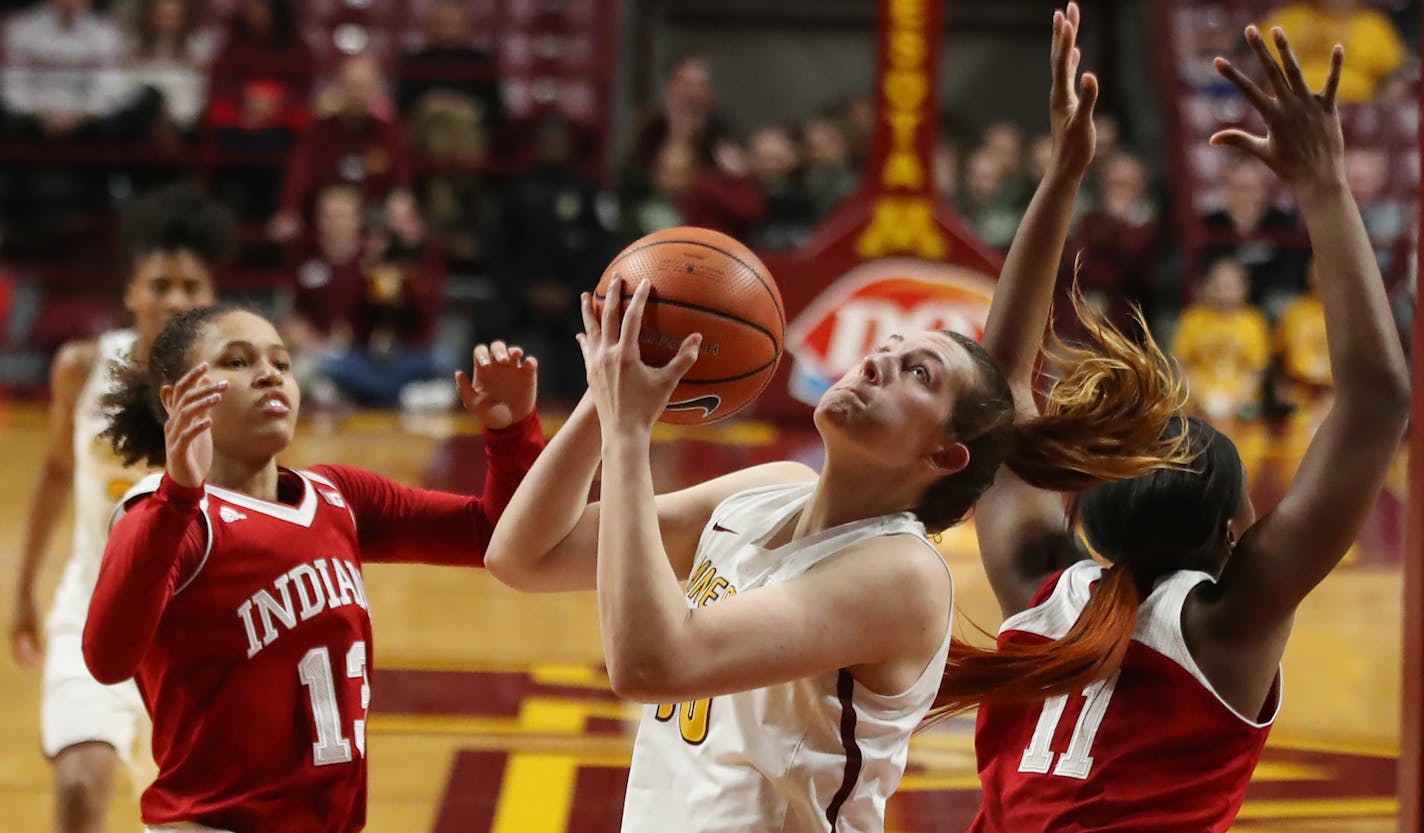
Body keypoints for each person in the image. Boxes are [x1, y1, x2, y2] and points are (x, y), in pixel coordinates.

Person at [483, 9, 1191, 830]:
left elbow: (650, 660)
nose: (880, 357)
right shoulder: (765, 492)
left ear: (944, 454)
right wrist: (606, 406)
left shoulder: (901, 574)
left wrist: (635, 432)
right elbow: (522, 555)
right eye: (888, 345)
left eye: (916, 370)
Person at [961, 23, 1408, 832]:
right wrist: (1328, 187)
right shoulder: (1222, 629)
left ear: (1089, 513)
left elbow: (998, 385)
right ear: (1234, 533)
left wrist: (1062, 176)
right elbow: (1378, 399)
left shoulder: (1039, 589)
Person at [82, 305, 545, 832]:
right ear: (175, 400)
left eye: (281, 363)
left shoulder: (337, 494)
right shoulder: (164, 513)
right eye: (236, 361)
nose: (268, 374)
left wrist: (510, 434)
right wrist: (178, 497)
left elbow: (496, 536)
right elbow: (107, 658)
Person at [10, 184, 231, 833]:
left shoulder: (238, 386)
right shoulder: (81, 367)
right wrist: (24, 592)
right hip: (91, 605)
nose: (174, 299)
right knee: (81, 784)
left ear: (210, 298)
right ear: (131, 292)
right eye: (159, 283)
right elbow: (55, 471)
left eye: (191, 286)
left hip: (194, 621)